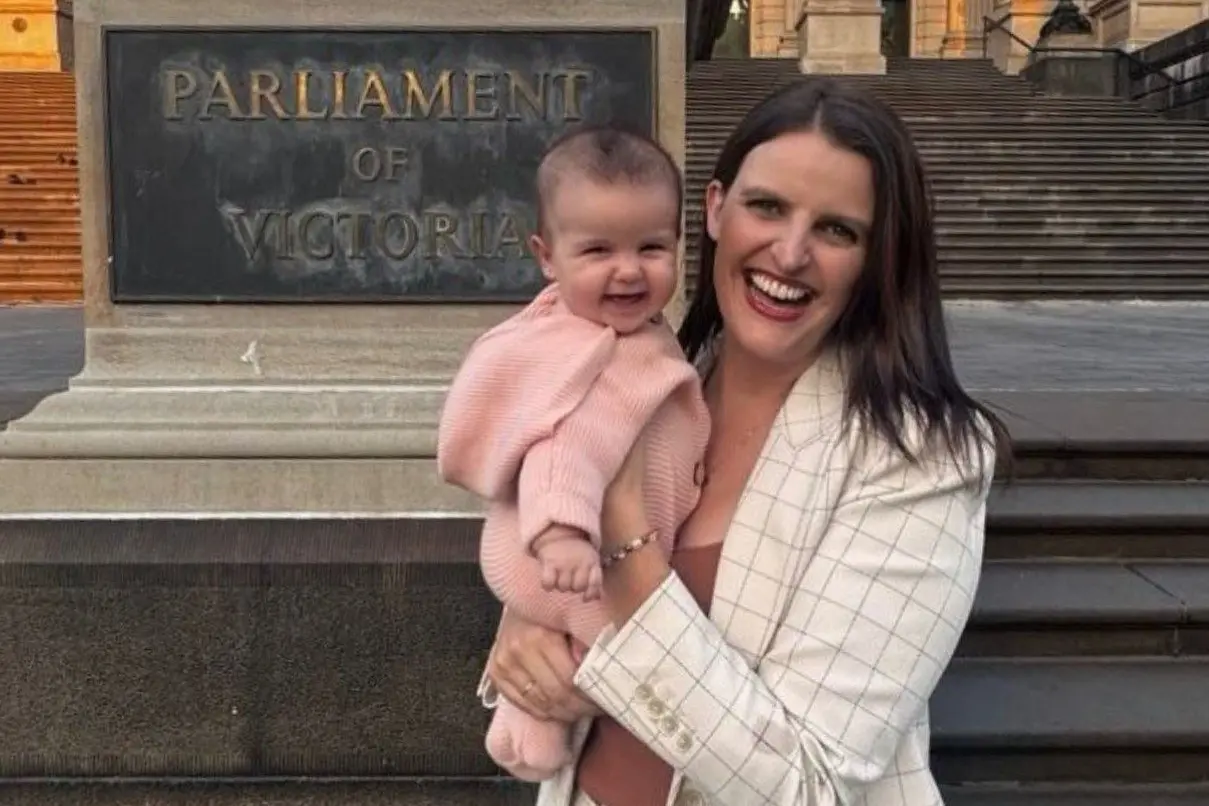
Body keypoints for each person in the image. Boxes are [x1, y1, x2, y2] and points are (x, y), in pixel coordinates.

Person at [480, 76, 1012, 806]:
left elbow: (810, 784)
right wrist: (526, 628)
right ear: (714, 209)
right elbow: (543, 542)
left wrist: (625, 537)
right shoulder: (652, 381)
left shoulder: (920, 455)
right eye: (766, 207)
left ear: (874, 259)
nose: (789, 253)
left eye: (835, 230)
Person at [438, 127, 711, 783]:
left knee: (565, 657)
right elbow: (568, 446)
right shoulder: (582, 352)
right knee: (589, 645)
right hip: (576, 555)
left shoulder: (628, 331)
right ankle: (532, 726)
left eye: (652, 247)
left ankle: (529, 725)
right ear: (546, 257)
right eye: (597, 250)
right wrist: (562, 533)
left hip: (598, 554)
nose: (628, 269)